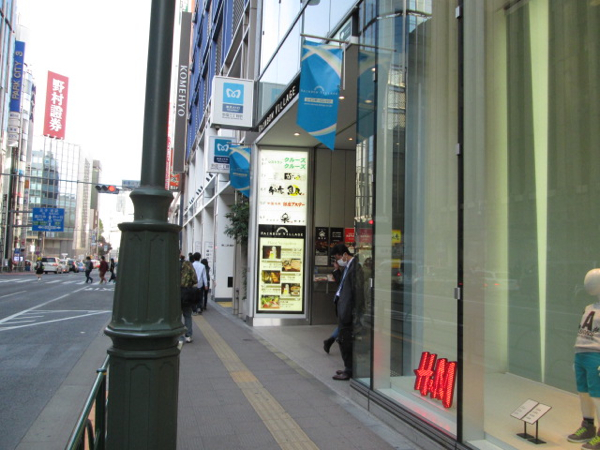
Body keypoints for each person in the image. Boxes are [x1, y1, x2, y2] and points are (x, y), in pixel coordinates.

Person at [568, 268, 600, 448]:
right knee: (584, 393)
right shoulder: (589, 308)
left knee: (598, 395)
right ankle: (588, 426)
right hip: (581, 354)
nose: (588, 284)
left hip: (596, 356)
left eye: (593, 281)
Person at [330, 243, 363, 381]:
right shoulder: (347, 267)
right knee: (343, 340)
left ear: (344, 254)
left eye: (338, 257)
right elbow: (342, 285)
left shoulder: (355, 267)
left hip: (348, 310)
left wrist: (356, 311)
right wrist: (336, 270)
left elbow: (358, 291)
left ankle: (349, 370)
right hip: (343, 308)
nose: (338, 260)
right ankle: (347, 368)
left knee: (346, 341)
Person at [323, 259, 343, 354]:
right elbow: (340, 282)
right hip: (344, 301)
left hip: (342, 301)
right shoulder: (348, 270)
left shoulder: (348, 269)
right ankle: (334, 339)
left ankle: (332, 340)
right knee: (345, 324)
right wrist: (337, 269)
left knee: (344, 324)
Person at [179, 254, 198, 348]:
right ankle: (188, 336)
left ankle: (179, 337)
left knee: (177, 316)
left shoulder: (170, 264)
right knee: (187, 315)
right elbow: (195, 279)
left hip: (174, 293)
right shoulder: (188, 264)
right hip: (187, 292)